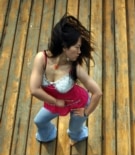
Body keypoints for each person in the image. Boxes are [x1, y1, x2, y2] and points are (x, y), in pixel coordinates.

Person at [29, 14, 102, 145]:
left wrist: (86, 112)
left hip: (78, 103)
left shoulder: (76, 68)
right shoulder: (41, 58)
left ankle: (77, 135)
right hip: (55, 102)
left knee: (75, 130)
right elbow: (34, 89)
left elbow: (98, 92)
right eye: (77, 47)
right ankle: (48, 135)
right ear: (64, 46)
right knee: (39, 121)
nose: (79, 51)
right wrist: (56, 101)